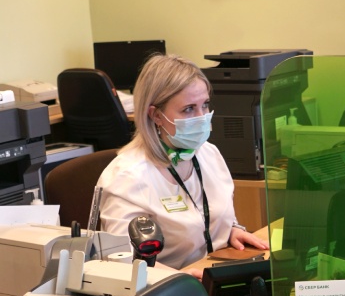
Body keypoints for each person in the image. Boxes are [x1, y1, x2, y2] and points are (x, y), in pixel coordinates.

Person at [98, 54, 269, 278]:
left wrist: (231, 230)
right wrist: (181, 279)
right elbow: (124, 260)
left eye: (204, 105)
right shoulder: (127, 176)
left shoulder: (208, 153)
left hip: (213, 271)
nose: (201, 117)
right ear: (156, 115)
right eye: (188, 109)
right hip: (166, 287)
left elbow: (212, 212)